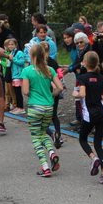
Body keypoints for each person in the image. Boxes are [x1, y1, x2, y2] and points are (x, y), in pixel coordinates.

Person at [22, 42, 63, 177]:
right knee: (43, 134)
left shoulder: (27, 71)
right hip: (48, 107)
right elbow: (60, 87)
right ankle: (52, 153)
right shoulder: (50, 70)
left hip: (35, 107)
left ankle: (45, 167)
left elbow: (26, 91)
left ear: (32, 56)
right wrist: (50, 95)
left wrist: (33, 93)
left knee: (35, 137)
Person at [74, 51, 103, 184]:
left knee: (83, 139)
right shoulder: (102, 78)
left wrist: (75, 94)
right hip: (102, 113)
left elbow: (82, 94)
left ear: (84, 63)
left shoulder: (82, 78)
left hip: (89, 114)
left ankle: (93, 157)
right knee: (98, 144)